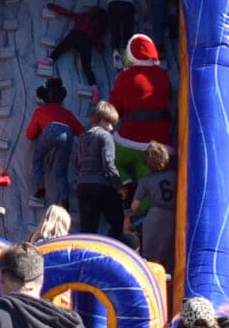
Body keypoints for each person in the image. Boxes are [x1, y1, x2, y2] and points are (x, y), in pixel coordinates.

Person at [108, 33, 173, 181]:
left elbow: (113, 111)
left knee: (110, 159)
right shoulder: (164, 75)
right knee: (149, 177)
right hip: (160, 144)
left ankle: (127, 184)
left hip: (129, 140)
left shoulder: (124, 77)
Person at [26, 76, 84, 207]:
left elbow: (30, 134)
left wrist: (34, 135)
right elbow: (81, 132)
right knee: (61, 171)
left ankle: (41, 188)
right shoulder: (67, 113)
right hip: (67, 133)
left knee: (37, 159)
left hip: (51, 129)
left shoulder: (40, 111)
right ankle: (65, 199)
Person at [75, 101, 126, 240]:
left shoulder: (83, 136)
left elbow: (77, 162)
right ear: (103, 121)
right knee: (118, 221)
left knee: (87, 228)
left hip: (83, 184)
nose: (112, 128)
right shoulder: (105, 136)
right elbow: (108, 163)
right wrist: (119, 186)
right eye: (111, 124)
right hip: (101, 184)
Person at [129, 141, 178, 273]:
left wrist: (128, 216)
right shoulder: (175, 175)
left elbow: (134, 206)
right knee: (170, 254)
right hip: (174, 217)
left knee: (151, 257)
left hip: (155, 217)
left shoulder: (146, 180)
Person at [41, 3, 107, 96]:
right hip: (87, 42)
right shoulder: (98, 26)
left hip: (75, 35)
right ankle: (94, 88)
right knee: (87, 68)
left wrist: (52, 6)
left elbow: (66, 13)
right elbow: (98, 42)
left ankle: (49, 60)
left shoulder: (83, 16)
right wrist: (101, 48)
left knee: (61, 48)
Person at [106, 0, 147, 68]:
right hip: (127, 6)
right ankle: (127, 60)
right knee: (127, 34)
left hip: (112, 6)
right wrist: (140, 16)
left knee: (115, 33)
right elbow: (143, 5)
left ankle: (115, 52)